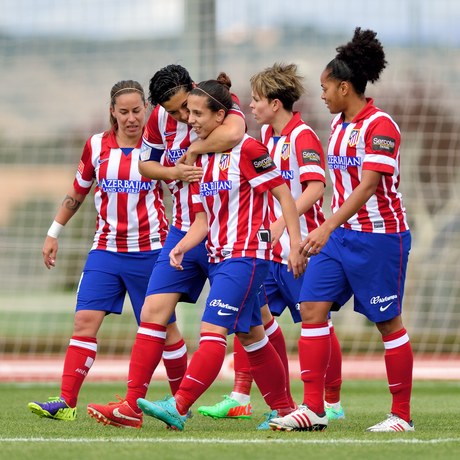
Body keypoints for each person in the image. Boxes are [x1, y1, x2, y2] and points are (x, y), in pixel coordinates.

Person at [135, 73, 306, 431]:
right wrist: (181, 247)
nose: (190, 121)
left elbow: (284, 195)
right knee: (252, 336)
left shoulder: (248, 149)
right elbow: (202, 220)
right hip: (218, 255)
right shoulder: (201, 162)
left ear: (220, 116)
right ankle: (286, 408)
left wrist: (294, 245)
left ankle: (179, 406)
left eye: (197, 114)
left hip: (246, 257)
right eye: (188, 114)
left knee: (211, 330)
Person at [269, 28, 414, 433]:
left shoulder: (381, 125)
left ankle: (401, 416)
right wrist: (323, 232)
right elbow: (341, 188)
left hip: (381, 239)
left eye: (325, 87)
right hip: (341, 237)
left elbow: (368, 185)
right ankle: (313, 408)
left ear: (344, 86)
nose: (323, 95)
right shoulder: (338, 126)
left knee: (389, 324)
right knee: (312, 309)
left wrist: (325, 227)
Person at [86, 65, 246, 428]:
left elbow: (235, 134)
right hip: (183, 230)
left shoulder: (217, 103)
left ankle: (290, 406)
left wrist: (191, 152)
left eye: (183, 109)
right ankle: (131, 407)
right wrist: (174, 171)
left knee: (256, 327)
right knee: (153, 312)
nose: (181, 117)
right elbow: (146, 166)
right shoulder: (158, 118)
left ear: (192, 90)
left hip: (226, 232)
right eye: (173, 112)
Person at [28, 80, 186, 422]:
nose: (131, 118)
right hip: (106, 251)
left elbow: (183, 191)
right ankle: (66, 403)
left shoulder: (157, 147)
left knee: (167, 330)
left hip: (151, 252)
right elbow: (78, 192)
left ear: (147, 109)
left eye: (137, 111)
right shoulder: (97, 146)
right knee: (84, 321)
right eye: (124, 111)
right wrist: (53, 232)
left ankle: (178, 405)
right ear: (112, 112)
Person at [197, 63, 345, 428]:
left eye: (257, 99)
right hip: (267, 253)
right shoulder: (265, 135)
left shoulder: (302, 137)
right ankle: (250, 398)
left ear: (276, 104)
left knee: (316, 322)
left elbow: (314, 187)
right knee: (254, 323)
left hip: (302, 248)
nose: (251, 105)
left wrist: (281, 224)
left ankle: (332, 400)